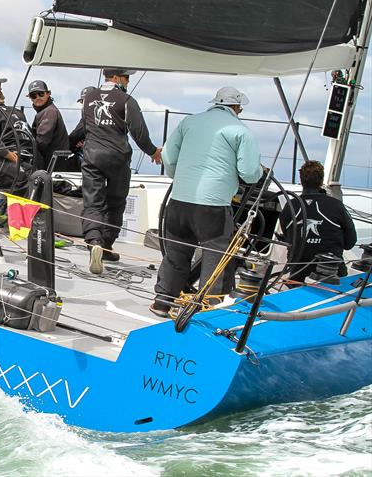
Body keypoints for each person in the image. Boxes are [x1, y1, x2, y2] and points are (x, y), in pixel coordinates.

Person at [150, 86, 262, 318]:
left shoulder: (189, 122)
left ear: (215, 103)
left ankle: (162, 302)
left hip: (179, 201)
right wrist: (261, 171)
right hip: (213, 206)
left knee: (176, 253)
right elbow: (250, 173)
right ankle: (206, 310)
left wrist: (179, 177)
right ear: (236, 107)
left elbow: (168, 156)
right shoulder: (241, 131)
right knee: (215, 257)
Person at [80, 68, 162, 273]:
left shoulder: (88, 97)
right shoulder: (126, 100)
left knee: (92, 202)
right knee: (116, 203)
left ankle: (94, 241)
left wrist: (70, 143)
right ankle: (106, 245)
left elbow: (84, 127)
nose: (127, 82)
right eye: (126, 78)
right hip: (118, 158)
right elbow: (139, 133)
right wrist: (153, 152)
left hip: (92, 157)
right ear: (116, 78)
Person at [279, 160, 357, 285]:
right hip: (333, 278)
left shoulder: (290, 207)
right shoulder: (336, 206)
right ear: (321, 181)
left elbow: (288, 239)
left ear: (301, 181)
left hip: (297, 277)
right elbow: (350, 243)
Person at [26, 79, 69, 172]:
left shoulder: (50, 111)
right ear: (29, 97)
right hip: (53, 163)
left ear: (48, 93)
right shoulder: (46, 111)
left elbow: (42, 141)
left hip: (53, 165)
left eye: (41, 94)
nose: (37, 97)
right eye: (33, 95)